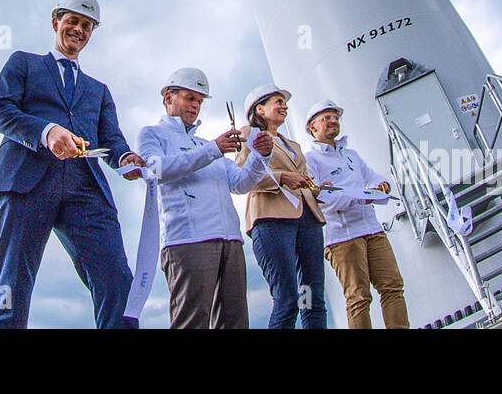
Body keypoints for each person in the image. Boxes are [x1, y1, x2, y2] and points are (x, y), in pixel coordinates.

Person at [0, 0, 145, 328]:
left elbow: (112, 140)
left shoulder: (99, 90)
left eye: (87, 25)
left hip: (85, 189)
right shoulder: (23, 63)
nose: (79, 29)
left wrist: (126, 157)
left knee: (116, 278)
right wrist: (47, 131)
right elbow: (1, 112)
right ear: (55, 21)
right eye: (72, 21)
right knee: (12, 283)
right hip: (26, 181)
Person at [135, 68, 274, 329]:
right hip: (188, 240)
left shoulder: (205, 144)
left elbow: (240, 183)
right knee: (192, 323)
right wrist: (214, 149)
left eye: (199, 101)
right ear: (168, 98)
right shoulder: (152, 134)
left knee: (235, 323)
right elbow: (155, 169)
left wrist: (259, 155)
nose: (196, 106)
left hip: (230, 241)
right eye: (190, 98)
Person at [304, 100, 410, 330]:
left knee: (392, 286)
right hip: (342, 236)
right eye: (326, 118)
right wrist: (359, 196)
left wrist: (381, 185)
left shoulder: (351, 155)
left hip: (372, 229)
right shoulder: (309, 160)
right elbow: (319, 198)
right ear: (312, 127)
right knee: (358, 297)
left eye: (335, 117)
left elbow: (372, 177)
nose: (333, 121)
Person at [236, 85, 327, 329]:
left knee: (312, 298)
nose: (284, 105)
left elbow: (305, 183)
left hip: (307, 221)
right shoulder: (248, 135)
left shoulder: (294, 146)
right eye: (278, 101)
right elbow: (240, 176)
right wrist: (281, 177)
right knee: (287, 298)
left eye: (284, 102)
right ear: (260, 108)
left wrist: (320, 188)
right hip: (272, 220)